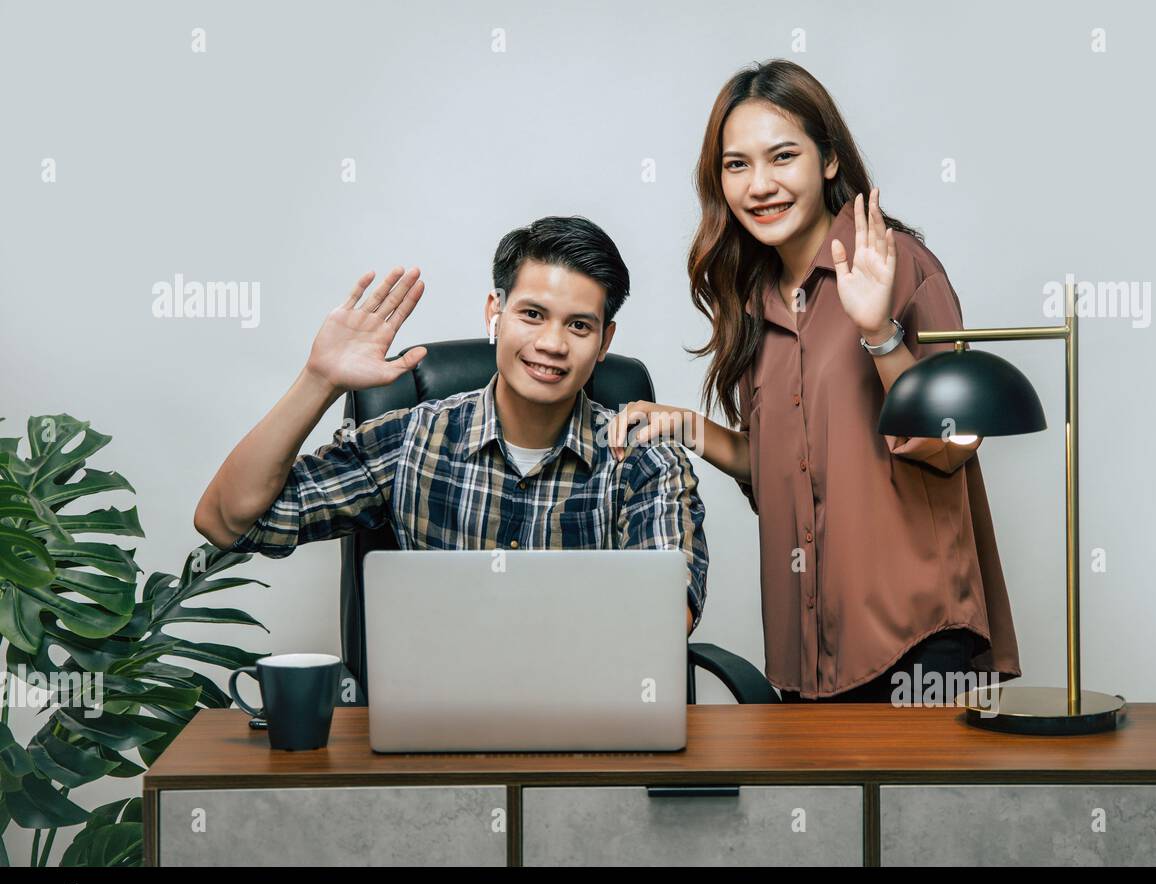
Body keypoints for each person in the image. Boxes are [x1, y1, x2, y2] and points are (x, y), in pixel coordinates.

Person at [610, 59, 1022, 701]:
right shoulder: (753, 303)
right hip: (810, 651)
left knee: (916, 808)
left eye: (782, 157)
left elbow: (954, 446)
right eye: (737, 164)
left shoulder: (899, 266)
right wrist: (690, 429)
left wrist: (879, 332)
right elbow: (790, 475)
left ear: (828, 160)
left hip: (918, 640)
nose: (759, 185)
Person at [194, 216, 707, 636]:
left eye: (579, 325)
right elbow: (225, 521)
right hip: (434, 736)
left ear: (604, 342)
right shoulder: (414, 439)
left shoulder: (644, 458)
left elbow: (666, 621)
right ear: (495, 314)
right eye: (532, 314)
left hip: (597, 732)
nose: (552, 343)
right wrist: (319, 380)